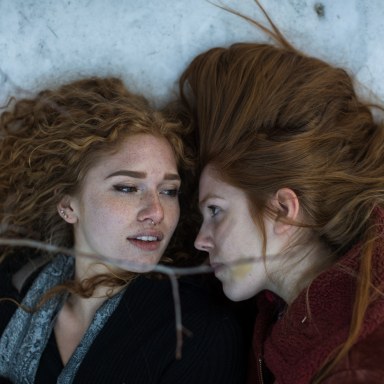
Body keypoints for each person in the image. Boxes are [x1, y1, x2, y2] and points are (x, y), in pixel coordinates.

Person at [179, 3, 384, 383]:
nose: (201, 240)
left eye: (216, 211)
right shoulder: (293, 323)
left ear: (283, 211)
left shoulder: (360, 357)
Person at [0, 77, 246, 383]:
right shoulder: (12, 285)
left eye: (169, 191)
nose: (156, 211)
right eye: (127, 188)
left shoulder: (199, 332)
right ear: (68, 204)